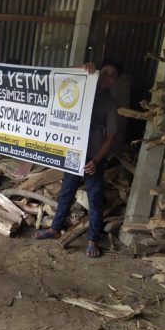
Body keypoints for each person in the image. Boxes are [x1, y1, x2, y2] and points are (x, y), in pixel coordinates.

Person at [34, 60, 122, 258]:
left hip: (93, 158)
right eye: (105, 72)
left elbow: (110, 138)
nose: (106, 78)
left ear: (115, 81)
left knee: (95, 198)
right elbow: (57, 76)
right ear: (99, 73)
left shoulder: (110, 105)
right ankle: (55, 228)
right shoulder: (81, 89)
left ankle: (92, 240)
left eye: (111, 76)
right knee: (66, 192)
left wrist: (97, 161)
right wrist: (79, 69)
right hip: (74, 153)